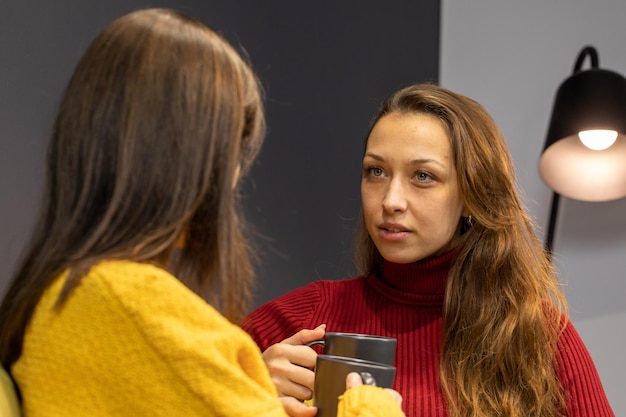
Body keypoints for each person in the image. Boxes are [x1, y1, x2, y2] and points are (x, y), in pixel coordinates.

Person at [0, 8, 404, 417]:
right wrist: (370, 407)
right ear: (194, 161)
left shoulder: (59, 297)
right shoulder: (130, 304)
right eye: (232, 154)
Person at [241, 83, 615, 417]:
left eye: (423, 176)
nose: (391, 200)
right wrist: (246, 396)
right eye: (376, 171)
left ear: (472, 196)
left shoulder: (538, 335)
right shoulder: (298, 323)